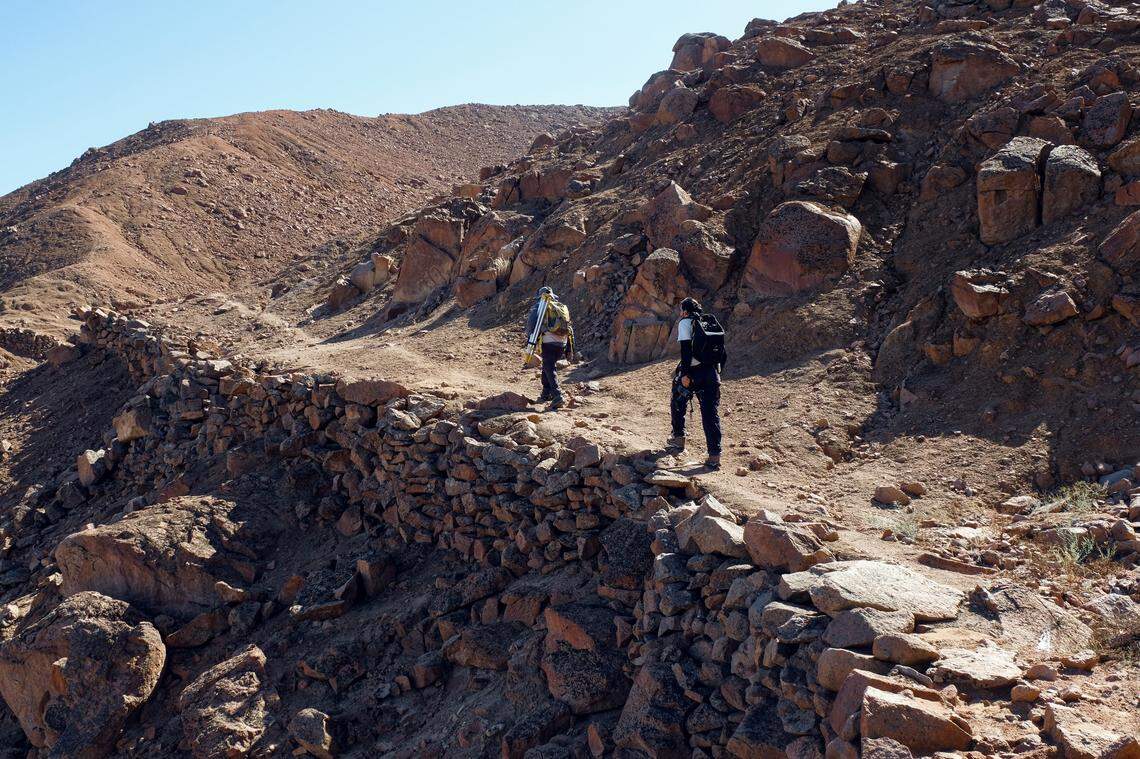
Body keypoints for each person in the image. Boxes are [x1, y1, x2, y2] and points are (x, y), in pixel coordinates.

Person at [668, 297, 722, 469]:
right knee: (710, 414)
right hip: (711, 373)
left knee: (677, 398)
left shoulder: (686, 323)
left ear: (685, 310)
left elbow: (685, 350)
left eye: (681, 309)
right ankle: (714, 456)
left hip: (694, 373)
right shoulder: (709, 323)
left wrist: (685, 374)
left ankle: (678, 439)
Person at [525, 287, 573, 410]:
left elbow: (531, 324)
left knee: (549, 366)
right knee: (548, 365)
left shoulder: (540, 306)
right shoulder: (561, 306)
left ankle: (557, 395)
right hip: (562, 342)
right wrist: (569, 348)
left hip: (548, 341)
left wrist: (530, 341)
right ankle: (546, 392)